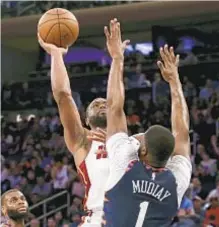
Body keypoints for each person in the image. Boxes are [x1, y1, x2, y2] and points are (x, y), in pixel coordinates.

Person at [99, 18, 192, 226]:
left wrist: (117, 58)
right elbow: (183, 132)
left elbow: (114, 108)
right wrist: (175, 82)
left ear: (142, 152)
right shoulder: (177, 179)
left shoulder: (123, 162)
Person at [37, 30, 110, 225]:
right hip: (98, 219)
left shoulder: (133, 144)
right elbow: (63, 95)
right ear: (86, 120)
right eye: (96, 105)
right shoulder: (83, 140)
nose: (102, 104)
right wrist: (56, 55)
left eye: (106, 103)